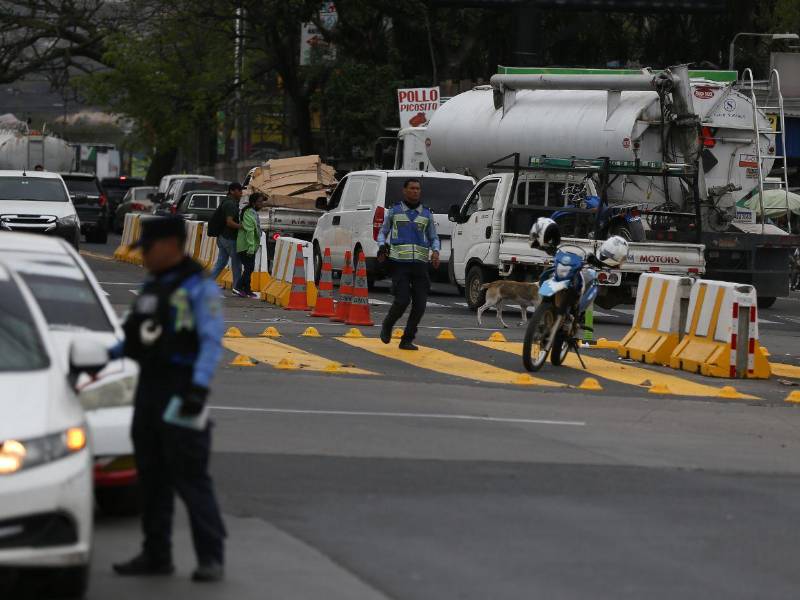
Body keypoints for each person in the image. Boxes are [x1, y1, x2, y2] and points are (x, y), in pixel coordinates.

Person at [111, 216, 227, 583]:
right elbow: (131, 338)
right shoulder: (151, 287)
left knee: (190, 476)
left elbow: (211, 342)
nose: (143, 256)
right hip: (149, 388)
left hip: (181, 389)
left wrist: (197, 389)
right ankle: (155, 553)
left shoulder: (199, 288)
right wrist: (95, 360)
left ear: (170, 246)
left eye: (147, 248)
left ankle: (211, 557)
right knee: (150, 475)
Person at [377, 178, 440, 350]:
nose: (415, 191)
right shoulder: (394, 211)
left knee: (420, 305)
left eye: (418, 188)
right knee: (402, 300)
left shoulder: (427, 213)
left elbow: (434, 237)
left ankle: (407, 339)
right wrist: (382, 246)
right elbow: (382, 233)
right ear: (404, 191)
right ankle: (387, 325)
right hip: (399, 264)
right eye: (412, 188)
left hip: (420, 265)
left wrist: (435, 251)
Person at [209, 182, 244, 288]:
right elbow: (229, 222)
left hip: (222, 237)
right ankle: (237, 287)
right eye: (239, 191)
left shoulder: (226, 201)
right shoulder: (230, 204)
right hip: (229, 238)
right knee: (236, 264)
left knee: (221, 262)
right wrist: (242, 227)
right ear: (232, 191)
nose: (241, 193)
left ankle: (206, 283)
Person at [233, 192, 264, 298]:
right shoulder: (248, 212)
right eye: (259, 202)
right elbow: (249, 230)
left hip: (250, 245)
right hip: (246, 245)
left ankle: (247, 289)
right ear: (253, 202)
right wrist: (251, 246)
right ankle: (238, 287)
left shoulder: (253, 212)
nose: (261, 204)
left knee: (249, 268)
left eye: (262, 202)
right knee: (249, 267)